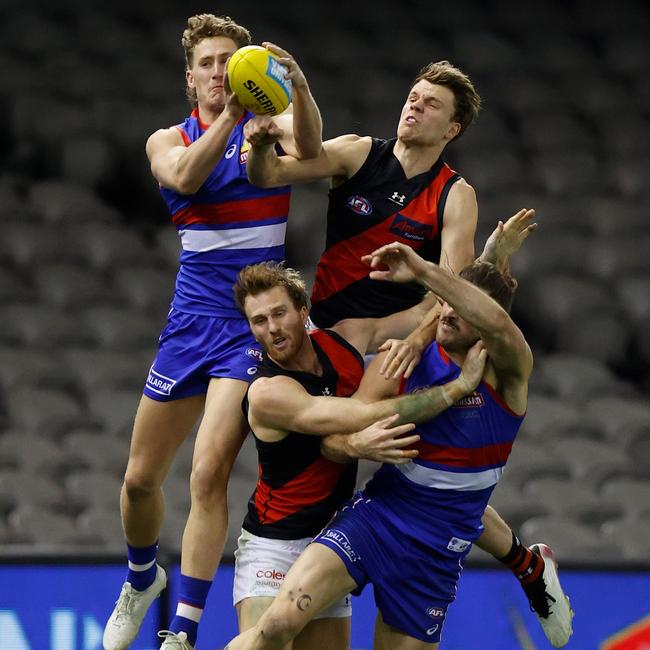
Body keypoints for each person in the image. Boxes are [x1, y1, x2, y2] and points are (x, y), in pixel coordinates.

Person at [243, 59, 564, 643]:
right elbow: (269, 176)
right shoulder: (360, 153)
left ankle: (523, 559)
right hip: (331, 343)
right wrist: (261, 149)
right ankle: (523, 559)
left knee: (432, 465)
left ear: (453, 129)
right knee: (318, 449)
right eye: (412, 96)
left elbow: (455, 287)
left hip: (396, 344)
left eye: (431, 104)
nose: (414, 106)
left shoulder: (454, 194)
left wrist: (417, 339)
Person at [224, 245, 574, 650]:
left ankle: (530, 567)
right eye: (443, 304)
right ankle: (527, 565)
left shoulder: (510, 370)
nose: (445, 313)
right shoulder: (401, 361)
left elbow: (494, 317)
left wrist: (442, 267)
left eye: (460, 308)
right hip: (376, 518)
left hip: (436, 550)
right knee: (276, 626)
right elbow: (337, 438)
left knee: (458, 499)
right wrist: (355, 443)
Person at [102, 13, 323, 650]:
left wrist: (298, 91)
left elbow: (310, 150)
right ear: (190, 76)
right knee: (140, 480)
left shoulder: (268, 126)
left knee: (208, 474)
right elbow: (185, 178)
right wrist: (231, 113)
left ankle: (182, 630)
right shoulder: (165, 140)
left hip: (248, 327)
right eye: (208, 62)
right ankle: (142, 578)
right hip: (190, 322)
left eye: (231, 60)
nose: (220, 71)